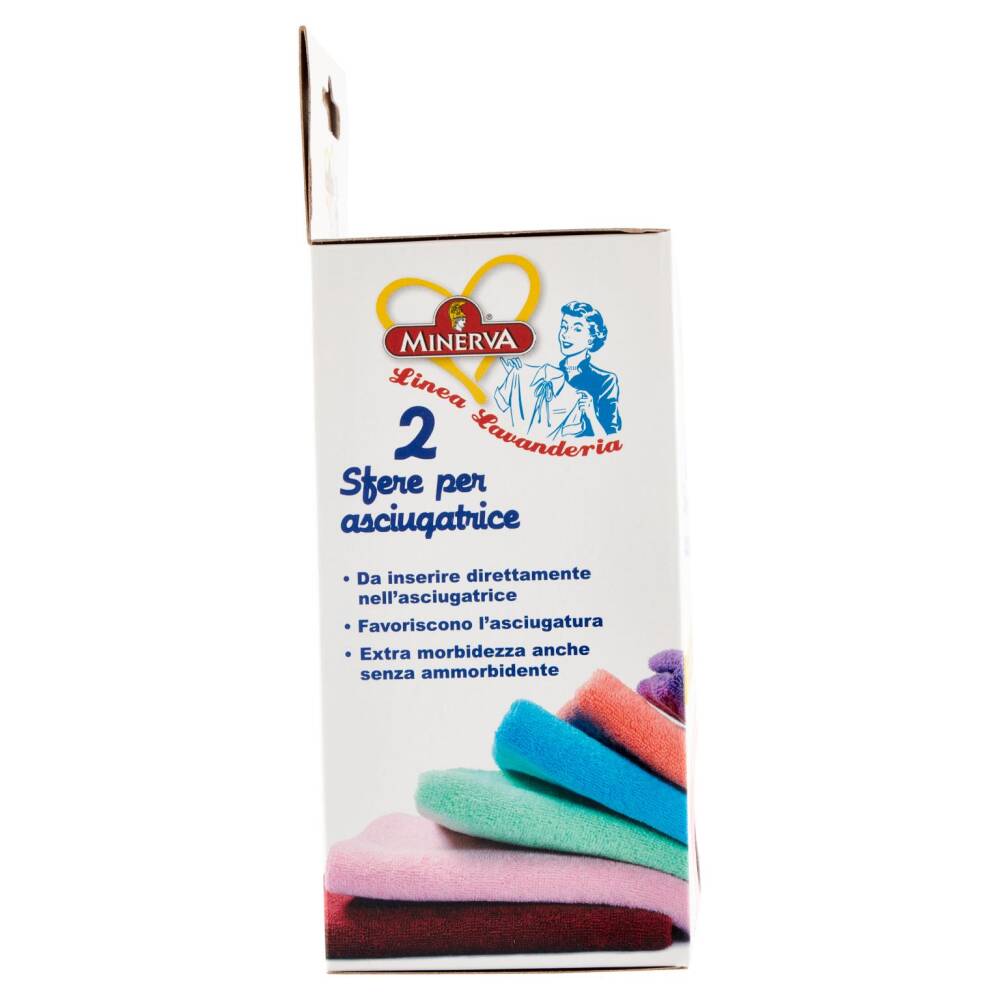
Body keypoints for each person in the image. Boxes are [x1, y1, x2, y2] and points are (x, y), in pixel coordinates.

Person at [495, 301, 621, 438]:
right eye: (564, 327)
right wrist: (517, 375)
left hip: (581, 450)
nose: (565, 334)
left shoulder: (605, 380)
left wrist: (590, 414)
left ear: (591, 339)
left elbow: (611, 438)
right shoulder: (545, 375)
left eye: (577, 329)